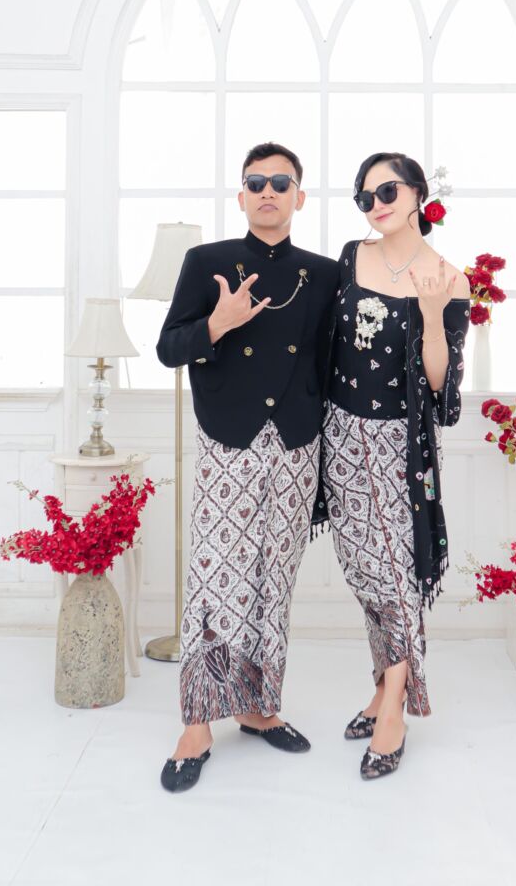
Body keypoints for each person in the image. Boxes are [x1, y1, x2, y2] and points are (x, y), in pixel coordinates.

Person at [156, 141, 339, 793]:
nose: (268, 191)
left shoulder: (324, 273)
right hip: (228, 438)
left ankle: (259, 708)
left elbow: (330, 363)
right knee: (215, 578)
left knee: (273, 578)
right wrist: (218, 323)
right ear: (240, 196)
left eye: (280, 182)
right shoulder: (206, 262)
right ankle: (197, 723)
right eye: (256, 182)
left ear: (299, 197)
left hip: (296, 445)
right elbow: (168, 349)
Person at [312, 152, 471, 780]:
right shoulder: (352, 256)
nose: (375, 204)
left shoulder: (449, 278)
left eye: (387, 191)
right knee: (364, 569)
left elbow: (441, 390)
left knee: (397, 575)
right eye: (364, 196)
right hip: (339, 434)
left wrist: (430, 315)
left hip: (398, 445)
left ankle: (396, 706)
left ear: (417, 195)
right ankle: (382, 686)